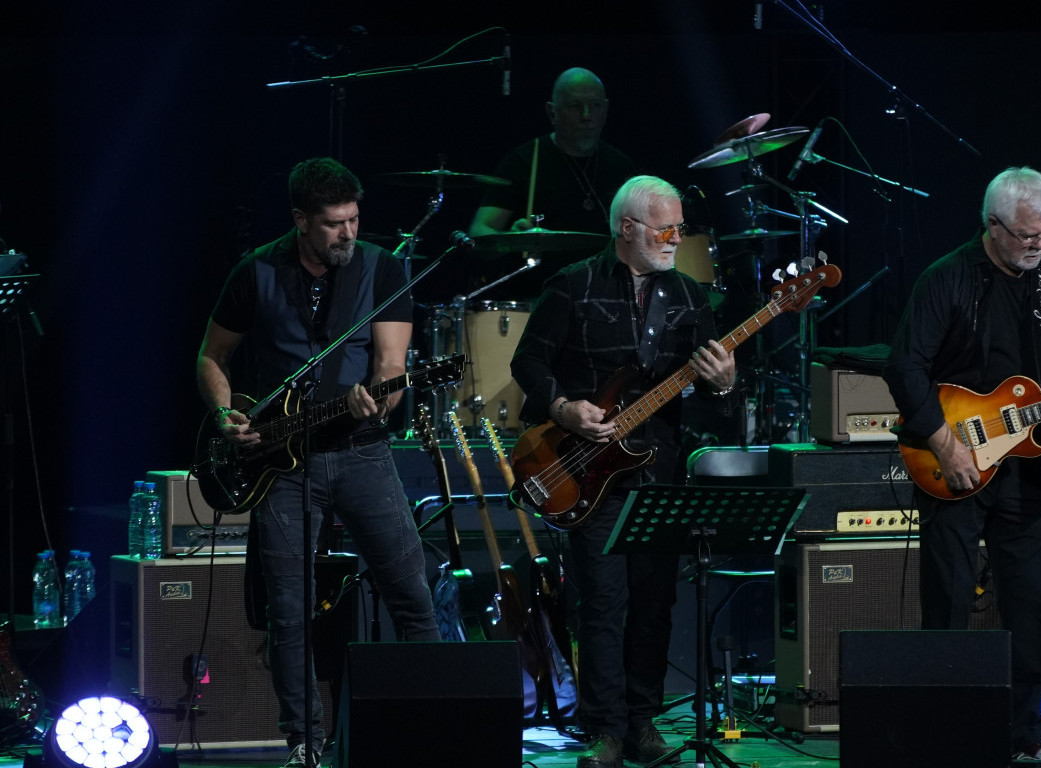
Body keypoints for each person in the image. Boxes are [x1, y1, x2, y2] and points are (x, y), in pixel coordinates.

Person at [196, 157, 440, 768]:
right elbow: (212, 355)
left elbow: (390, 369)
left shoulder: (384, 268)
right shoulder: (255, 272)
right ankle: (305, 743)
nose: (348, 234)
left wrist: (375, 405)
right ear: (301, 220)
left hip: (361, 453)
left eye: (355, 220)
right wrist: (227, 414)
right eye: (334, 224)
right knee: (287, 609)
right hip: (279, 467)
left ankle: (430, 726)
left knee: (411, 591)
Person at [882, 167, 1041, 762]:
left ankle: (1025, 735)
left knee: (1029, 603)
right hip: (954, 460)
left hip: (1032, 468)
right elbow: (904, 367)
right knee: (946, 601)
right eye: (1025, 236)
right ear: (991, 225)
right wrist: (945, 442)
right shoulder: (946, 278)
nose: (1036, 247)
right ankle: (943, 736)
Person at [510, 176, 736, 768]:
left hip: (658, 469)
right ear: (626, 228)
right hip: (587, 470)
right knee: (603, 604)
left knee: (654, 602)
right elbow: (527, 359)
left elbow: (717, 401)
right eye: (665, 228)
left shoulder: (690, 296)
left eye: (679, 228)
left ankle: (643, 722)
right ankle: (604, 729)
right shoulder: (574, 284)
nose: (675, 238)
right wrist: (563, 408)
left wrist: (726, 381)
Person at [468, 66, 640, 300]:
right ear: (552, 113)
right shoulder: (524, 161)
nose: (587, 115)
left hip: (606, 298)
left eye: (595, 105)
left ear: (607, 109)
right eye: (575, 106)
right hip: (538, 298)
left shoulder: (620, 166)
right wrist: (510, 240)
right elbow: (479, 233)